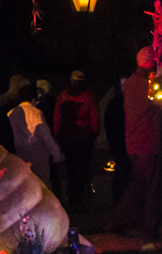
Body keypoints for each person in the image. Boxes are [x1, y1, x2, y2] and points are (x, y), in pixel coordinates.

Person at [112, 48, 162, 241]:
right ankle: (150, 230)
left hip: (134, 142)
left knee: (138, 184)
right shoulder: (150, 84)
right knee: (153, 188)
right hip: (151, 141)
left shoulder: (130, 83)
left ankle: (119, 220)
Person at [52, 69, 100, 209]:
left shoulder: (63, 97)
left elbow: (57, 119)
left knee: (72, 169)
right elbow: (94, 118)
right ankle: (78, 198)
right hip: (82, 139)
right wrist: (93, 135)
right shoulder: (88, 96)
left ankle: (74, 198)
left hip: (71, 139)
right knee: (81, 169)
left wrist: (58, 135)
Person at [8, 83, 64, 180]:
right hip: (37, 160)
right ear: (33, 99)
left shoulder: (10, 113)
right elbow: (45, 135)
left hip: (18, 159)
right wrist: (56, 154)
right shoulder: (36, 113)